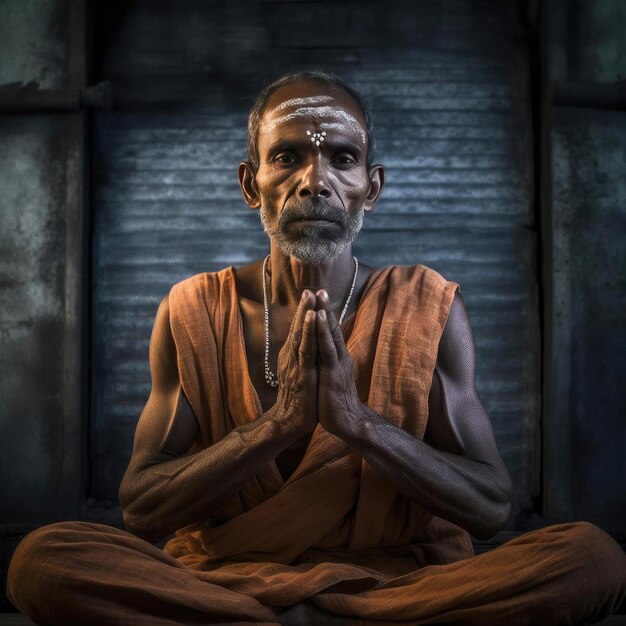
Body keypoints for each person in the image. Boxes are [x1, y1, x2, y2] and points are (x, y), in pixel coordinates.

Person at [7, 71, 626, 625]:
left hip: (396, 582)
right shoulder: (194, 309)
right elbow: (142, 507)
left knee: (589, 559)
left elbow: (491, 506)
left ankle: (299, 617)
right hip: (230, 577)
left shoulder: (426, 304)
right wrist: (277, 426)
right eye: (287, 158)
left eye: (342, 158)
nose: (314, 182)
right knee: (44, 561)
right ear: (252, 185)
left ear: (371, 187)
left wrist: (357, 424)